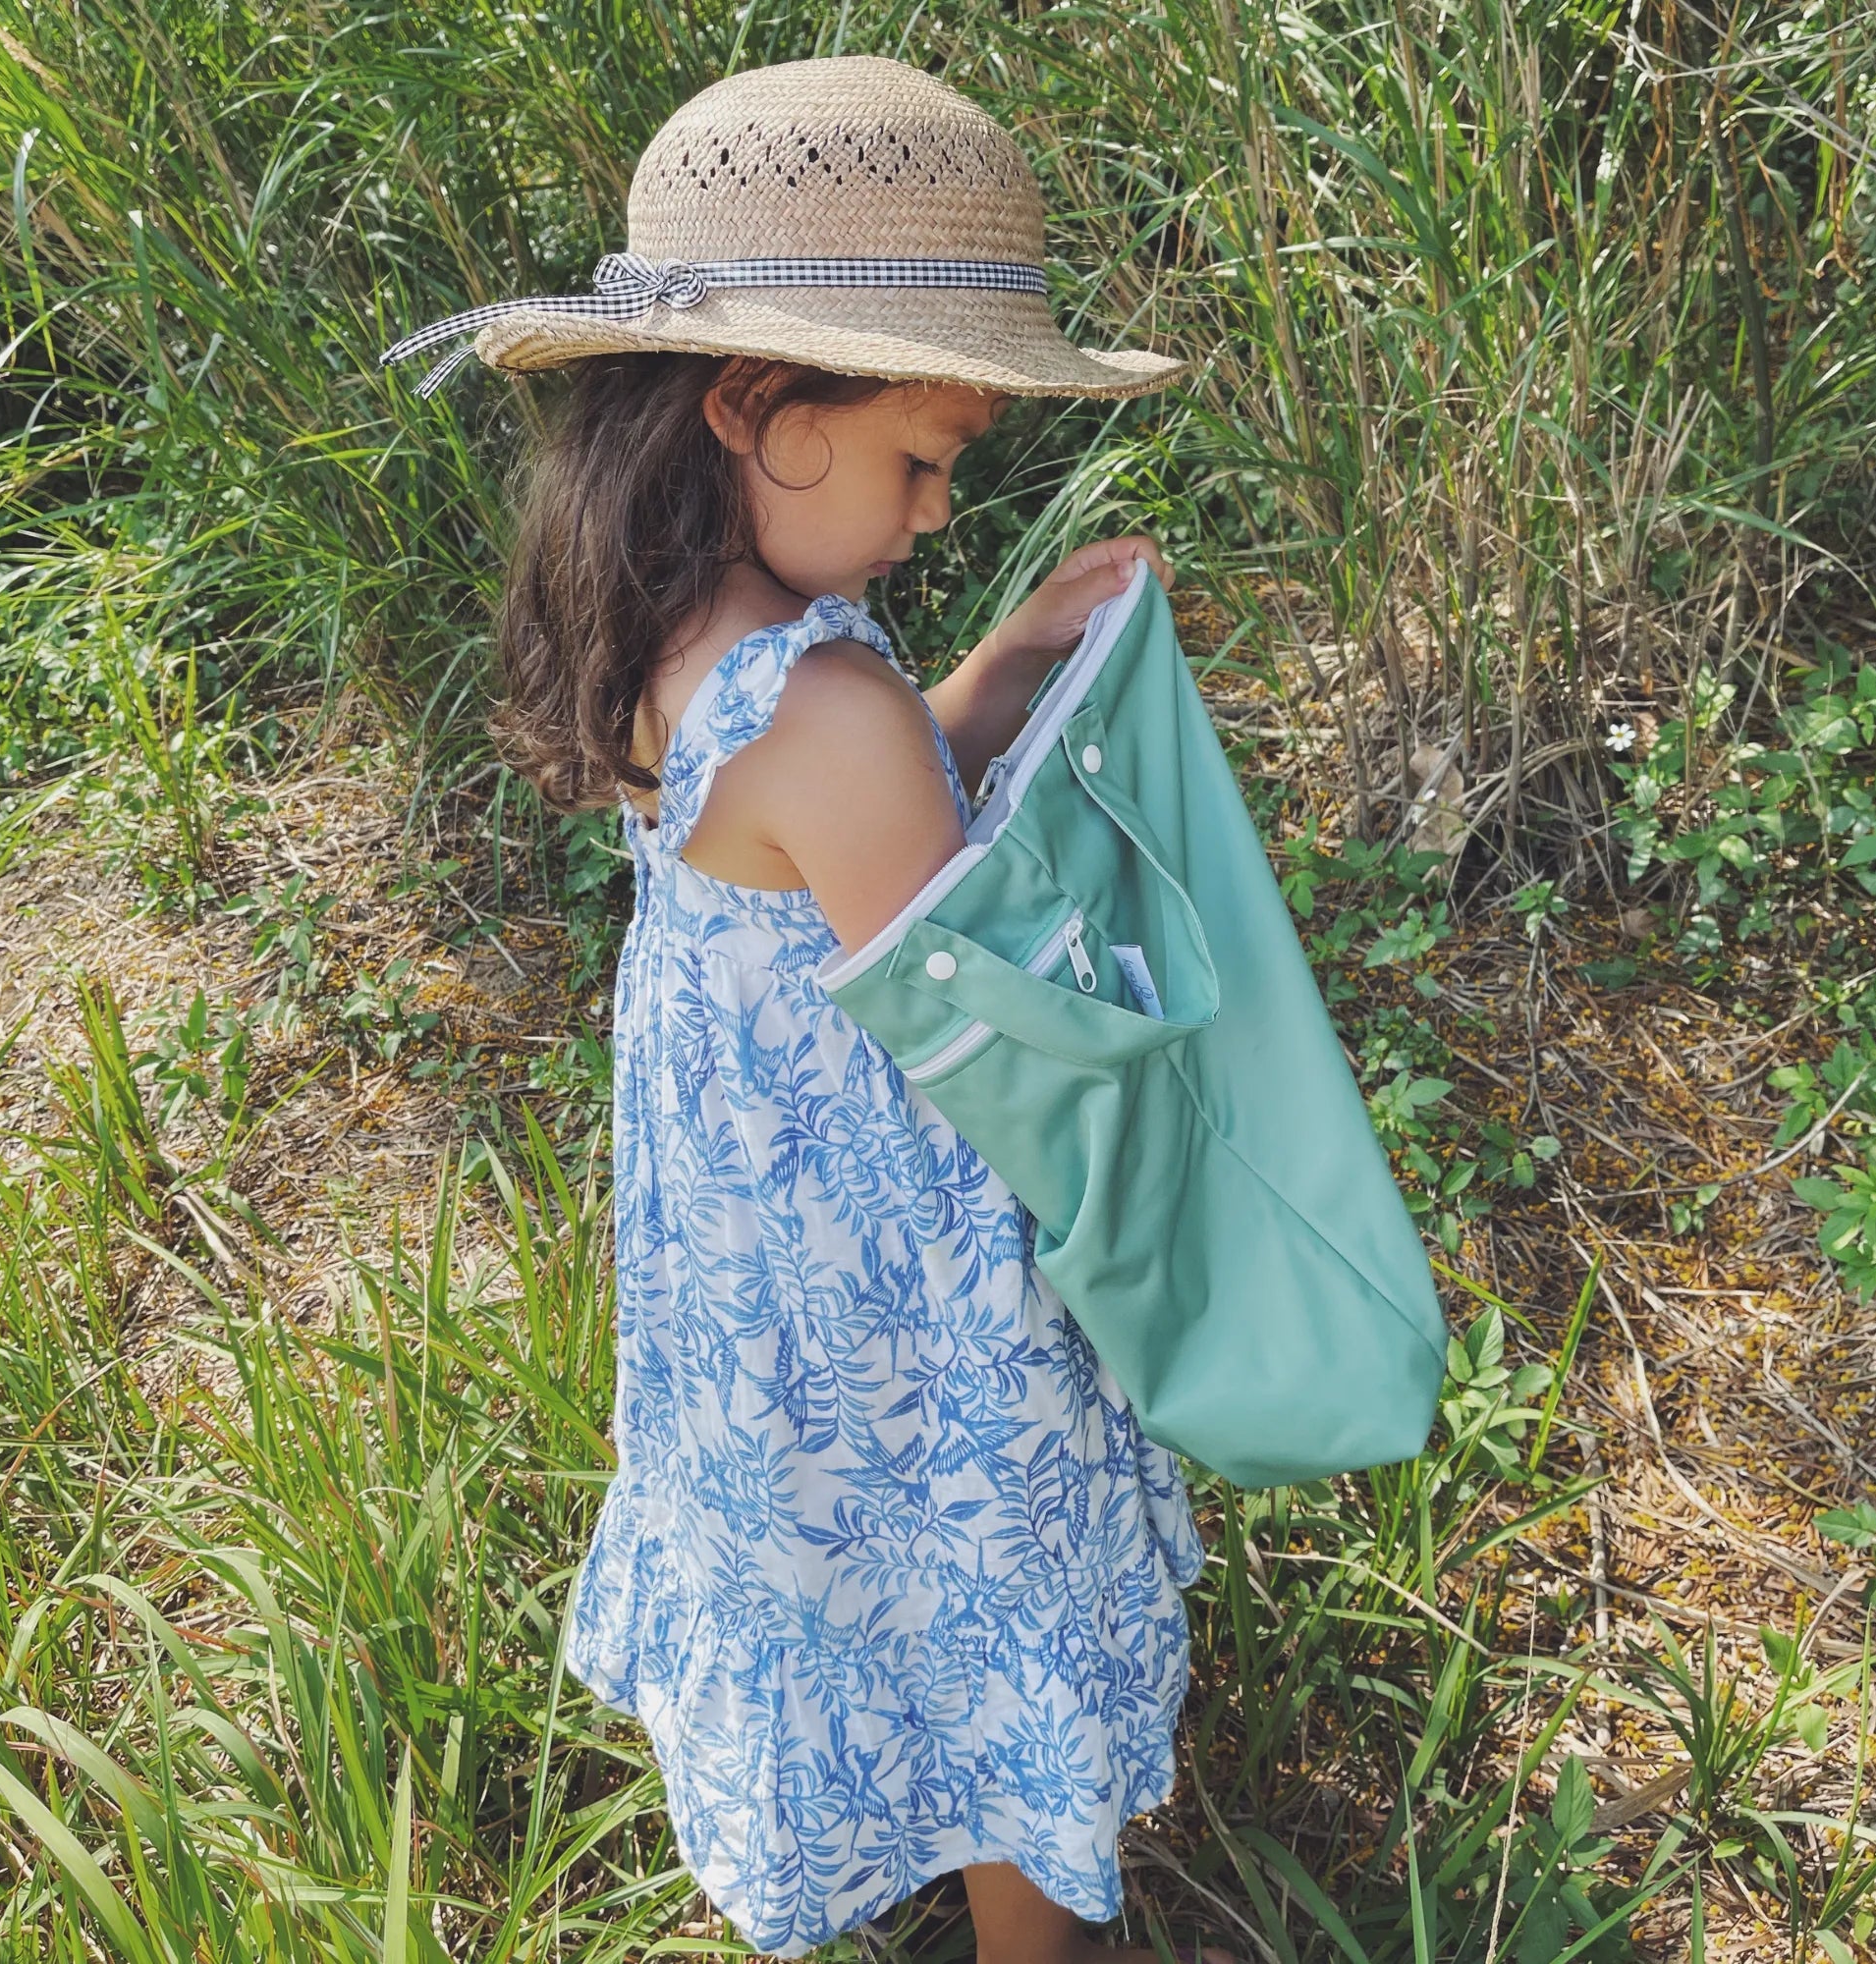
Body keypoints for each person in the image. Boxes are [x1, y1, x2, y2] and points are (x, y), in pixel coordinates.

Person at [386, 53, 1223, 1964]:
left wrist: (994, 676)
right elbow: (981, 1001)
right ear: (755, 406)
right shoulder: (827, 707)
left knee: (862, 1580)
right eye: (922, 460)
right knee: (969, 1569)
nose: (936, 513)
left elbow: (806, 848)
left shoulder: (684, 642)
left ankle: (907, 1841)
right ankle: (1035, 1944)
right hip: (902, 1271)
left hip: (760, 1270)